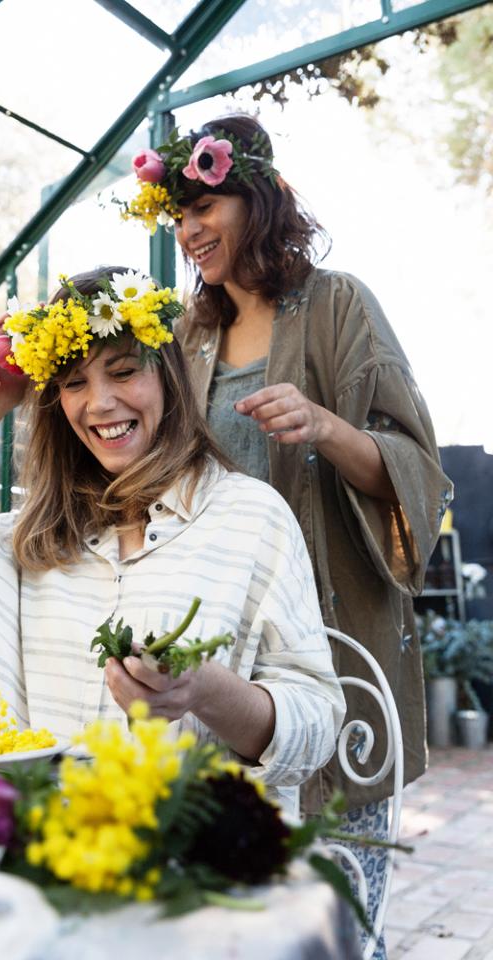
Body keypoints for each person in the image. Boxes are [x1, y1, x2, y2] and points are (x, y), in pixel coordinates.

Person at [123, 115, 452, 954]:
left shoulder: (338, 303)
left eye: (206, 206)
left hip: (336, 652)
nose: (190, 232)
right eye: (179, 217)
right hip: (220, 663)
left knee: (337, 920)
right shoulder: (187, 338)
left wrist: (324, 426)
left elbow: (418, 469)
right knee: (230, 916)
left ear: (258, 198)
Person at [0, 266, 345, 814]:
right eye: (73, 382)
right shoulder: (28, 539)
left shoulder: (251, 518)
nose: (100, 403)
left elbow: (316, 730)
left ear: (169, 378)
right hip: (23, 853)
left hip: (184, 864)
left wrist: (205, 690)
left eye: (123, 371)